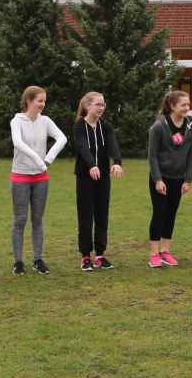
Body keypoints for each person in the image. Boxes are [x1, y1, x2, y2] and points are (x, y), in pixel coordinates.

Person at [8, 84, 67, 275]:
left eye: (44, 101)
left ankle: (38, 259)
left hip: (41, 178)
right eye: (40, 100)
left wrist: (48, 159)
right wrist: (37, 160)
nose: (43, 104)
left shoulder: (46, 121)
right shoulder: (17, 121)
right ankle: (18, 262)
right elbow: (18, 142)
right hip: (20, 176)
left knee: (37, 219)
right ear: (29, 101)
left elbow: (62, 138)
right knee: (20, 219)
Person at [72, 91, 123, 272]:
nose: (101, 108)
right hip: (85, 178)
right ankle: (86, 256)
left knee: (102, 215)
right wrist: (91, 165)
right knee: (86, 216)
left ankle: (100, 255)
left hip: (103, 178)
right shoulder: (79, 126)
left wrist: (116, 162)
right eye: (97, 104)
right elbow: (82, 147)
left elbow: (113, 144)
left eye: (103, 104)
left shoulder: (105, 126)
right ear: (87, 106)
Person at [147, 90, 192, 268]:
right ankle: (154, 253)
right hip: (161, 178)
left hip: (179, 178)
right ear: (172, 106)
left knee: (171, 214)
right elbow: (152, 156)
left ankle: (165, 251)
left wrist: (188, 180)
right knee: (159, 213)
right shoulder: (159, 126)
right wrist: (158, 179)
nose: (187, 108)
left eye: (188, 105)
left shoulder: (191, 126)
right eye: (183, 105)